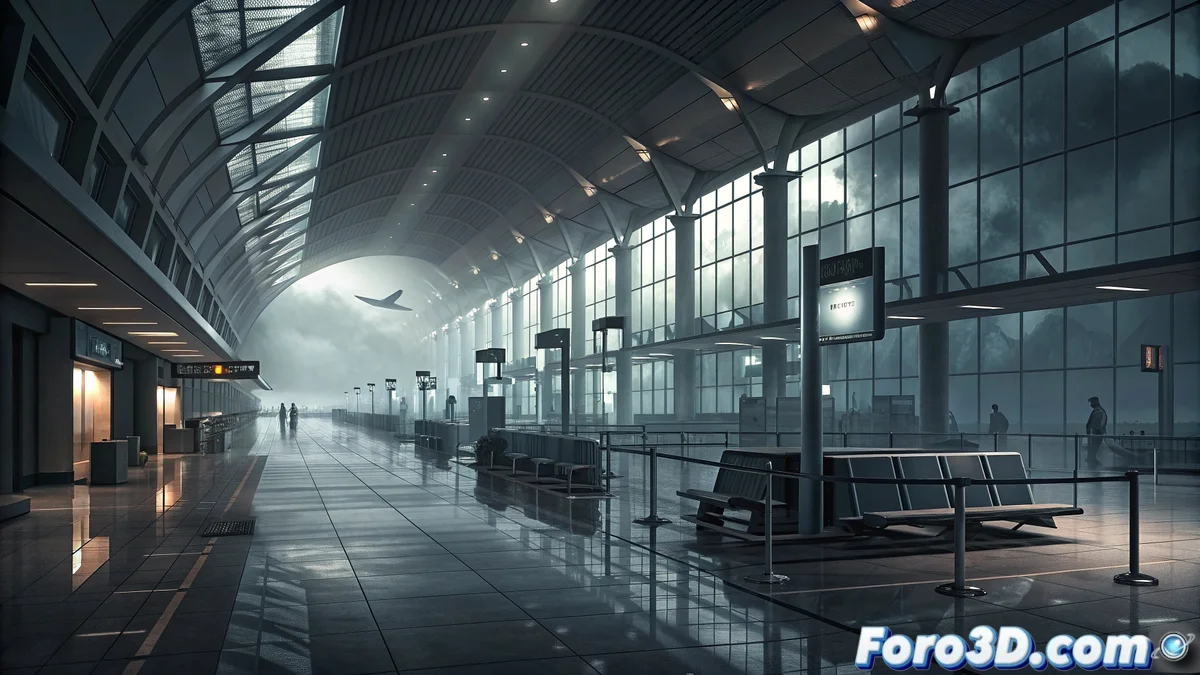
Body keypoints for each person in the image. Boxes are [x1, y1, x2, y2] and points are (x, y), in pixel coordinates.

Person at [1085, 396, 1107, 467]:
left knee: (1093, 449)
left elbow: (1093, 423)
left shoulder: (1098, 411)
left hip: (1096, 433)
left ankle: (1094, 464)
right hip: (1097, 433)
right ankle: (1093, 462)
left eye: (1092, 402)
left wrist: (1090, 431)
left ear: (1096, 402)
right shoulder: (1099, 410)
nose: (1091, 404)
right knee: (1093, 450)